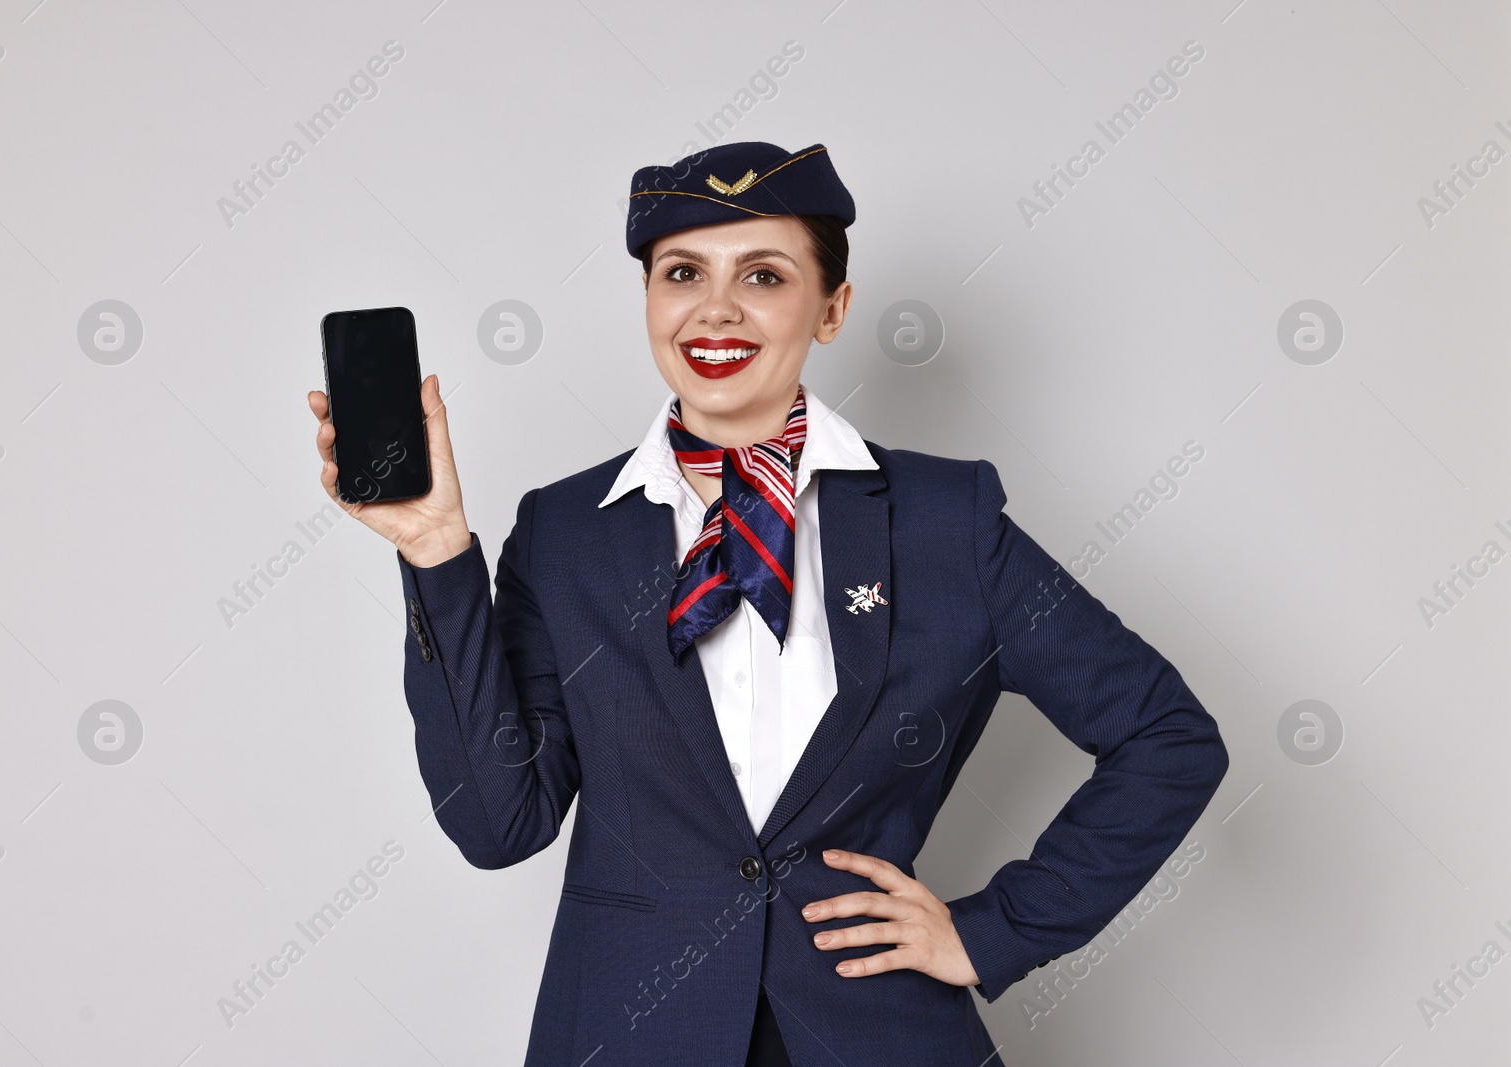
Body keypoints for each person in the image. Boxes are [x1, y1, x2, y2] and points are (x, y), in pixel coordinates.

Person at [307, 140, 1229, 1067]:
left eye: (763, 274)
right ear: (648, 301)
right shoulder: (566, 534)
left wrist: (990, 930)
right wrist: (436, 554)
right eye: (682, 273)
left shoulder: (946, 523)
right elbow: (499, 823)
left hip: (876, 1036)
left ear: (831, 309)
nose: (716, 307)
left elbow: (1168, 735)